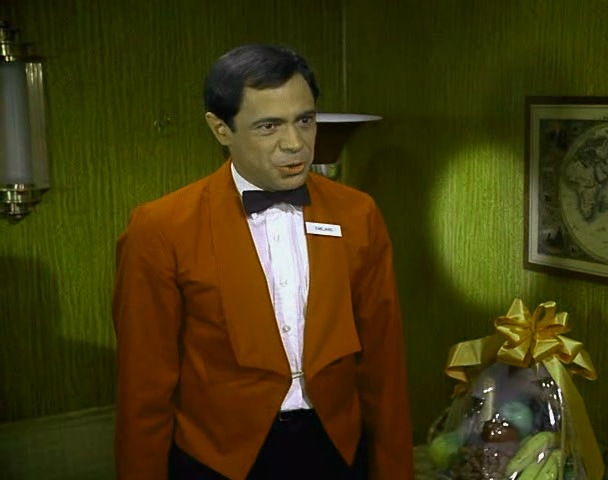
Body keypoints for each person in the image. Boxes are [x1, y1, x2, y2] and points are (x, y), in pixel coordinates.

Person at [112, 44, 414, 480]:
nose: (294, 144)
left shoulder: (358, 213)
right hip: (218, 459)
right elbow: (144, 388)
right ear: (221, 129)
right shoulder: (160, 228)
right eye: (269, 126)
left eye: (304, 120)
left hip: (336, 450)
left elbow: (384, 367)